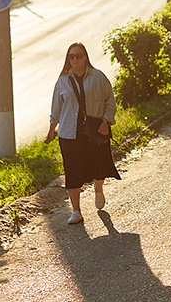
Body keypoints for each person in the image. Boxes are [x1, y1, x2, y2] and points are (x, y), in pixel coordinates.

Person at [47, 42, 121, 225]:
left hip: (95, 131)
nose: (75, 59)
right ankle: (76, 211)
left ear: (85, 57)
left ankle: (98, 188)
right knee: (72, 171)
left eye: (78, 55)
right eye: (71, 56)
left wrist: (106, 122)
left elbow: (109, 102)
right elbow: (56, 109)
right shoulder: (62, 81)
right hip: (69, 134)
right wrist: (51, 131)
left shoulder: (98, 77)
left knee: (97, 165)